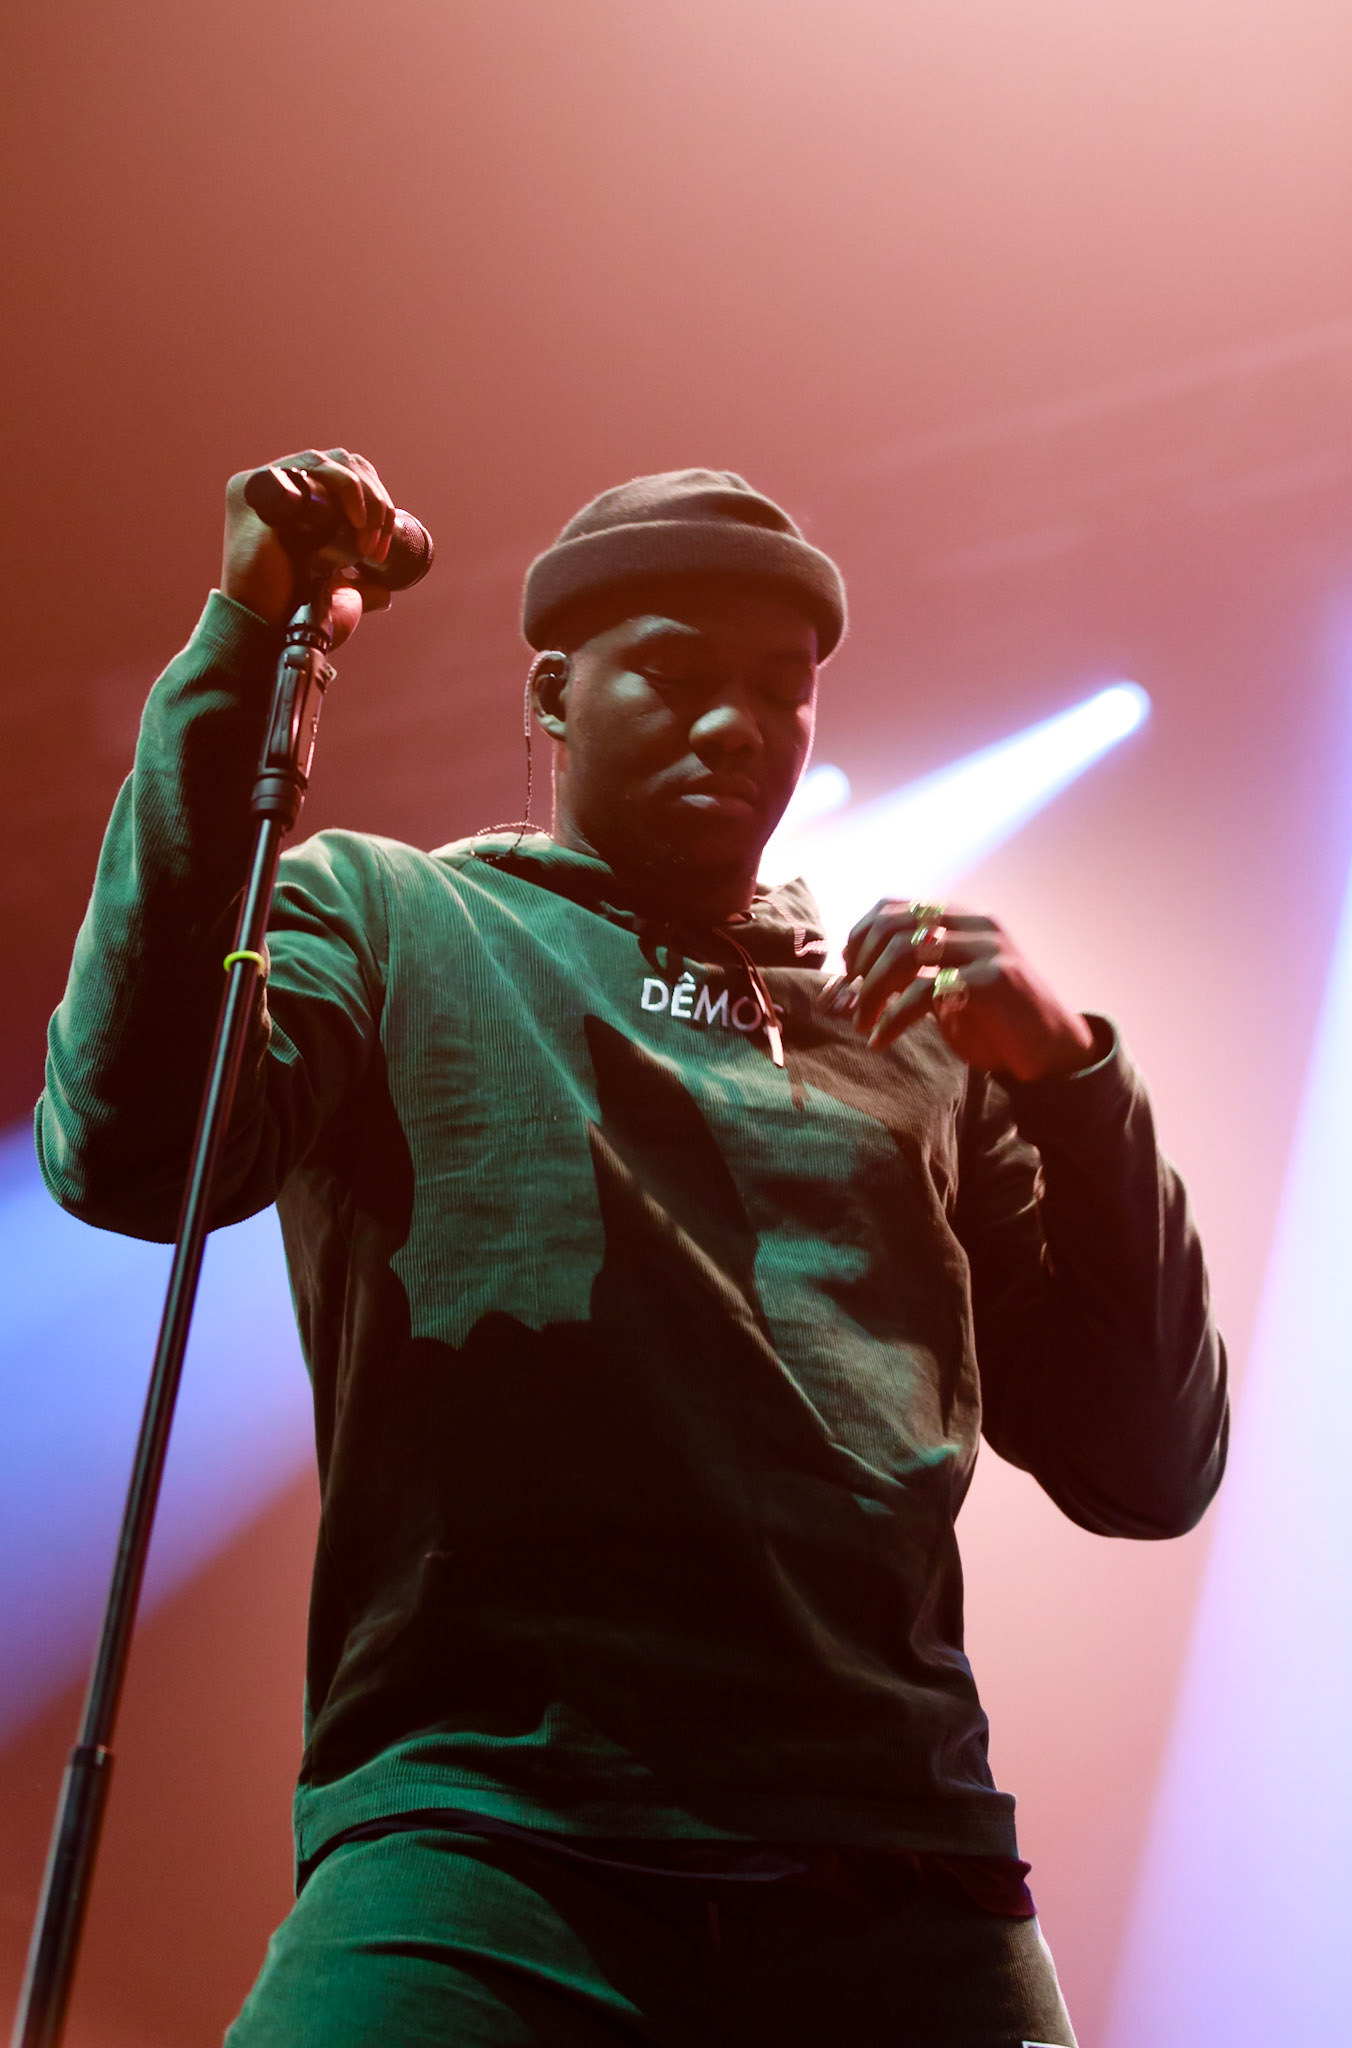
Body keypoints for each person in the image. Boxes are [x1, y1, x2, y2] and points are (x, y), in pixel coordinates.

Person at [37, 453, 1229, 2047]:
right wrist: (250, 641)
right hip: (489, 1849)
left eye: (777, 690)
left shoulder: (915, 1036)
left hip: (895, 1877)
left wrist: (1072, 1075)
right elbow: (126, 1145)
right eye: (672, 675)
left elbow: (1146, 1469)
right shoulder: (396, 922)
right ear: (551, 692)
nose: (736, 727)